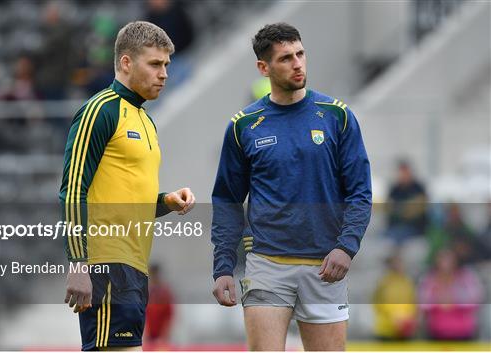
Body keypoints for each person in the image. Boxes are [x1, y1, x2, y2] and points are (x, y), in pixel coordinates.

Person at [211, 23, 372, 351]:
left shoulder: (337, 116)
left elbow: (360, 192)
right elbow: (227, 200)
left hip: (325, 266)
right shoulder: (243, 126)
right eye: (285, 58)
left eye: (300, 54)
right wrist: (223, 266)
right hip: (266, 264)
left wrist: (346, 247)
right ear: (263, 67)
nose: (297, 63)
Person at [59, 21, 195, 351]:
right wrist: (79, 262)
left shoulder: (146, 121)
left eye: (166, 65)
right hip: (106, 265)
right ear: (126, 63)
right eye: (154, 64)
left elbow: (133, 200)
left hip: (135, 266)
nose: (163, 73)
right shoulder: (100, 110)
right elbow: (73, 189)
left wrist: (167, 202)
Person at [419, 248, 484, 340]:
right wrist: (437, 299)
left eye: (449, 259)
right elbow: (423, 304)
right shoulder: (430, 279)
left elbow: (475, 300)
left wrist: (455, 298)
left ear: (455, 261)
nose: (446, 263)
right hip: (437, 332)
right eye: (442, 259)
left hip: (463, 332)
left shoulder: (465, 277)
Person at [372, 254, 417, 340]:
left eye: (400, 263)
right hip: (386, 330)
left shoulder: (407, 282)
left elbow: (412, 303)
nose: (398, 266)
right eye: (395, 263)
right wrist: (393, 318)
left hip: (405, 329)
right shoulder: (383, 282)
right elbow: (378, 303)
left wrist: (407, 319)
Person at [385, 160, 427, 244]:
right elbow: (389, 209)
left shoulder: (418, 188)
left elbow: (414, 211)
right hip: (395, 228)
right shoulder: (395, 189)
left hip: (415, 229)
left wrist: (399, 209)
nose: (403, 175)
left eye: (405, 172)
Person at [144, 263, 175, 349]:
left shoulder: (164, 293)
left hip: (161, 336)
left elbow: (169, 315)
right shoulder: (146, 292)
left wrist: (164, 335)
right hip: (148, 334)